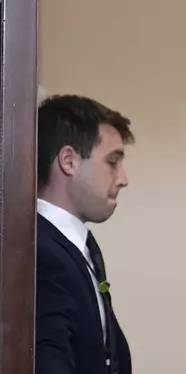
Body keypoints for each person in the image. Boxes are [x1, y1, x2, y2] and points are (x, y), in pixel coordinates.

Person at [35, 94, 134, 374]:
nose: (123, 178)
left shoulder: (79, 244)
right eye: (113, 162)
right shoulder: (41, 252)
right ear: (69, 161)